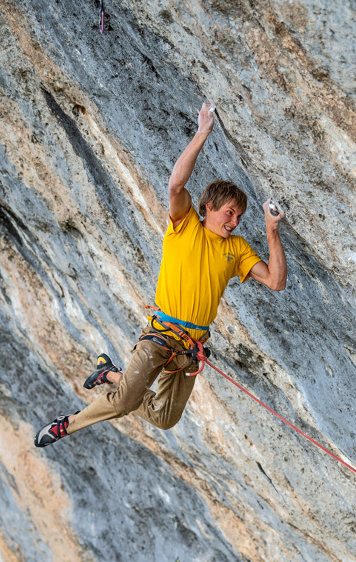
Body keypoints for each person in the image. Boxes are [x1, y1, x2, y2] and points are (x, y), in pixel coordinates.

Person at [34, 103, 287, 448]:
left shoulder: (238, 249)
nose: (235, 222)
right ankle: (68, 424)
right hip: (160, 336)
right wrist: (202, 133)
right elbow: (175, 184)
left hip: (190, 347)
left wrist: (272, 230)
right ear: (208, 207)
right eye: (230, 213)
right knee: (123, 403)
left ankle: (110, 374)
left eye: (240, 216)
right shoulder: (185, 227)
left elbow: (275, 281)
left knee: (166, 418)